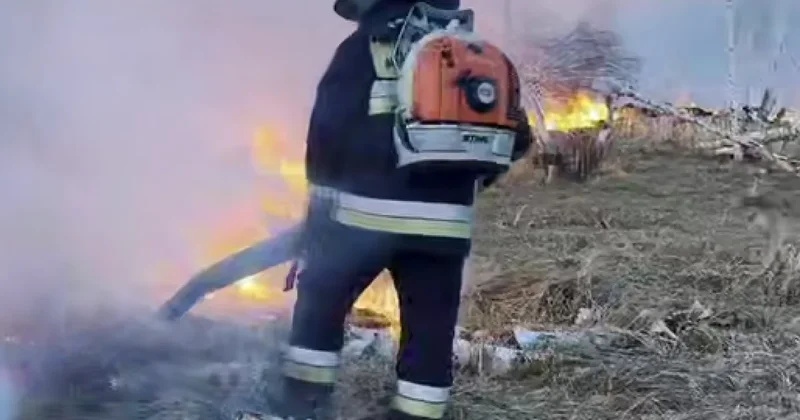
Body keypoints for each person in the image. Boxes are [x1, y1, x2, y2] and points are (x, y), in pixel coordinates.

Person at [236, 1, 533, 419]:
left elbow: (325, 134)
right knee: (430, 332)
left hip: (361, 222)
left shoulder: (361, 49)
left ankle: (304, 401)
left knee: (320, 303)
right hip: (445, 232)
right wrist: (464, 186)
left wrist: (319, 209)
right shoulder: (478, 56)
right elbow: (515, 140)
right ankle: (418, 412)